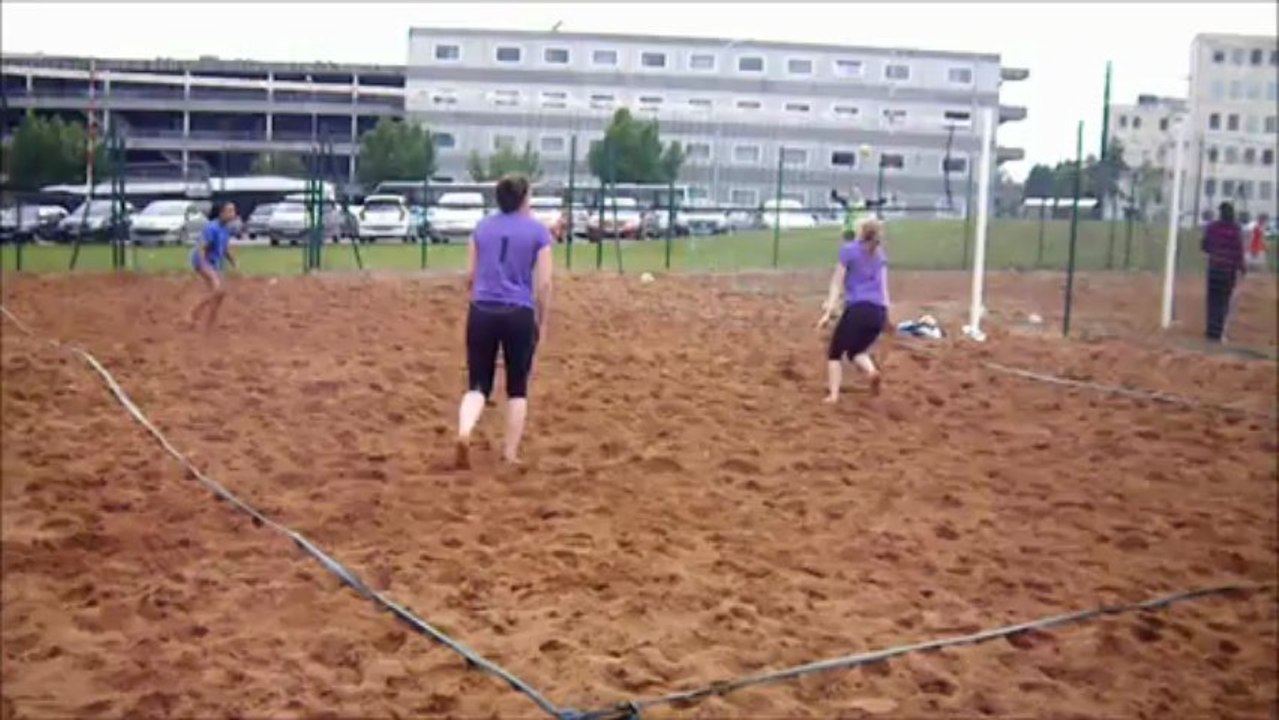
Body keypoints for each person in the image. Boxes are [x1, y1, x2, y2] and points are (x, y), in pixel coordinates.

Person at [455, 174, 554, 468]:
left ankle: (464, 430)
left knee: (477, 384)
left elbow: (469, 276)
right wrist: (542, 319)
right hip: (518, 312)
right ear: (524, 199)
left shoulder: (482, 227)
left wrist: (478, 300)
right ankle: (510, 453)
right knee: (517, 386)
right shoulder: (538, 232)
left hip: (482, 309)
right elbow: (545, 284)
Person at [816, 217, 890, 403]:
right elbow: (884, 288)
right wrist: (887, 317)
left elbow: (836, 283)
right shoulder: (879, 254)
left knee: (835, 352)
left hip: (858, 308)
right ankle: (872, 372)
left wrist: (828, 312)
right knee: (856, 351)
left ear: (860, 231)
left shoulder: (849, 250)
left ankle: (833, 395)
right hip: (878, 311)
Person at [188, 201, 238, 332]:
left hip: (214, 262)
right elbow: (202, 248)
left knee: (221, 294)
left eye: (233, 211)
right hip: (202, 260)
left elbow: (225, 248)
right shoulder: (212, 228)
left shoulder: (225, 229)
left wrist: (233, 262)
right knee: (217, 289)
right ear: (221, 213)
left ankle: (210, 323)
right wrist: (204, 264)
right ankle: (195, 311)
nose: (233, 214)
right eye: (229, 211)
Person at [1201, 202, 1245, 343]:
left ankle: (1211, 330)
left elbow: (1204, 245)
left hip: (1214, 268)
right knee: (1224, 301)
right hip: (1228, 271)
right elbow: (1239, 250)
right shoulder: (1236, 229)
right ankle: (1219, 330)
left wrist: (1214, 251)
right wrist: (1242, 267)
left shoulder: (1212, 227)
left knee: (1212, 300)